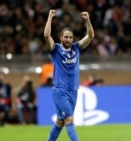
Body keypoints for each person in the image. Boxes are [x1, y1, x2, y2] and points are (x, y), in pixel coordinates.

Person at [44, 9, 94, 141]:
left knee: (60, 122)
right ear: (60, 38)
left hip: (73, 90)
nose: (68, 39)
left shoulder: (76, 48)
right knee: (69, 119)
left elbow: (90, 36)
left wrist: (87, 20)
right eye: (65, 37)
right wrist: (50, 17)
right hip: (60, 90)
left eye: (70, 37)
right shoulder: (55, 49)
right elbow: (46, 36)